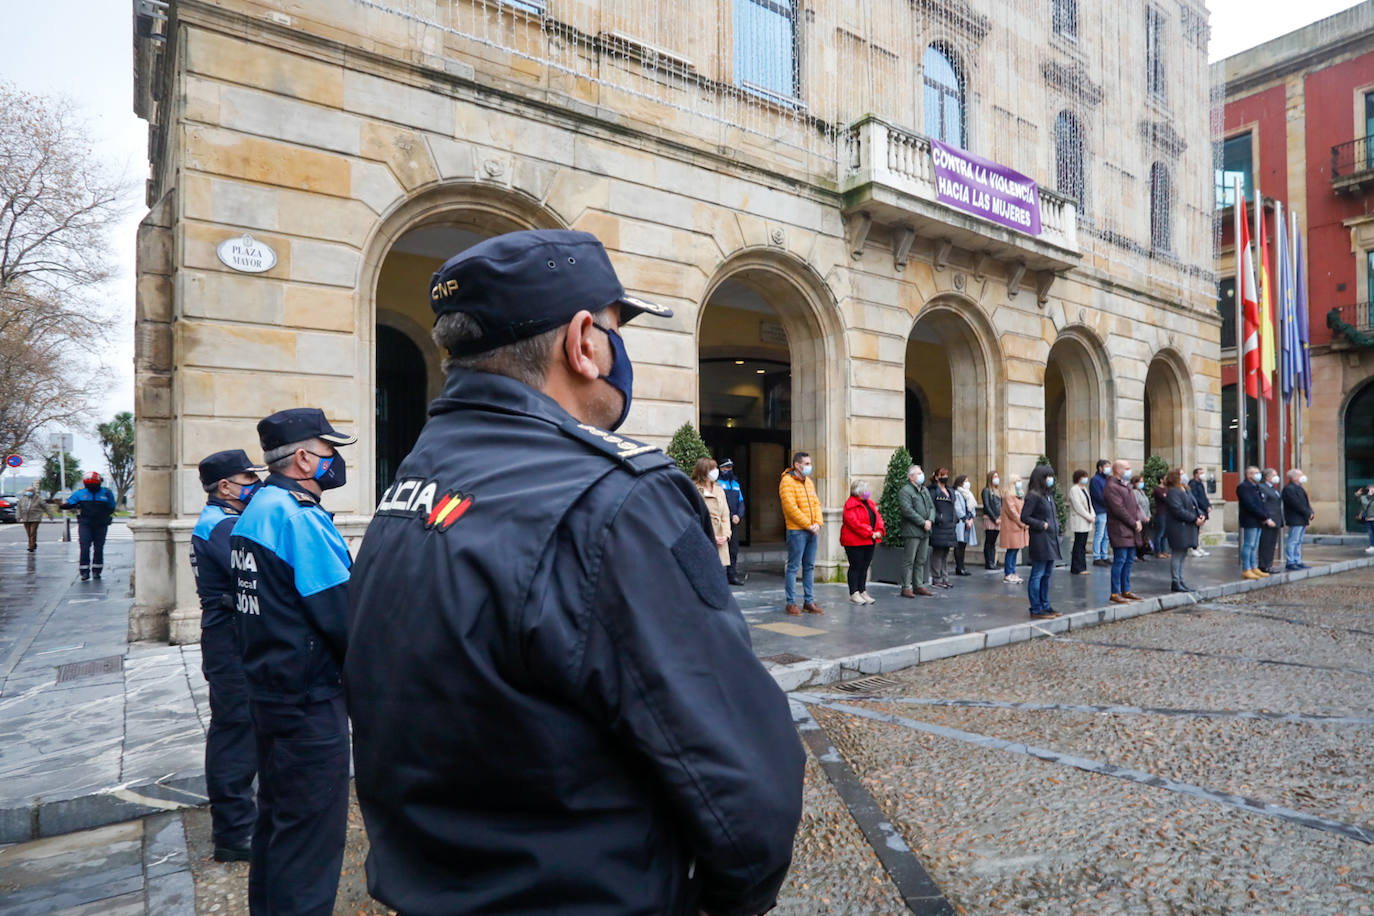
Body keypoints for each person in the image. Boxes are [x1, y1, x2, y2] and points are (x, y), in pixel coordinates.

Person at [343, 230, 803, 915]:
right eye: (619, 328)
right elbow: (741, 778)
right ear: (584, 341)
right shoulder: (616, 500)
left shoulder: (412, 483)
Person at [232, 408, 355, 915]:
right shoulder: (298, 519)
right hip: (309, 701)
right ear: (304, 458)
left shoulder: (256, 510)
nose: (336, 462)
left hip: (269, 690)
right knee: (310, 841)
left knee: (278, 826)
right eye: (330, 452)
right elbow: (344, 618)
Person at [190, 449, 266, 864]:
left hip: (232, 635)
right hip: (228, 638)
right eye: (247, 479)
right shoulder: (222, 526)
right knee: (235, 730)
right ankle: (235, 833)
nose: (254, 485)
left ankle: (243, 822)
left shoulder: (224, 521)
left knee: (244, 727)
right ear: (225, 486)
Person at [781, 451, 824, 615]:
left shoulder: (809, 483)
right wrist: (808, 524)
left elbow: (816, 504)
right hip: (797, 531)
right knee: (793, 567)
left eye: (809, 463)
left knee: (809, 566)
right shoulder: (787, 482)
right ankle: (791, 603)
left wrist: (818, 523)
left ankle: (809, 601)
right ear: (797, 465)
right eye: (806, 464)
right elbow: (791, 509)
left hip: (812, 530)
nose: (809, 467)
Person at [1020, 465, 1061, 618]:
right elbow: (1024, 516)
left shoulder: (1048, 495)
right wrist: (1041, 524)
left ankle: (1046, 604)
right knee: (1038, 573)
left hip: (1050, 539)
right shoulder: (1033, 496)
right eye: (1048, 476)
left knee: (1047, 574)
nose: (1051, 479)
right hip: (1040, 539)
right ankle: (1036, 608)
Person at [63, 472, 117, 581]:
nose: (92, 487)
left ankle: (97, 570)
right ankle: (84, 571)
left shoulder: (106, 493)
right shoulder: (80, 493)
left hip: (101, 524)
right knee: (84, 546)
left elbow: (112, 507)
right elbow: (70, 504)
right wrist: (62, 505)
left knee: (98, 547)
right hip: (85, 523)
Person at [1104, 460, 1143, 603]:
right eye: (1127, 468)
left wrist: (1139, 519)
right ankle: (1115, 592)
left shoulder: (1127, 486)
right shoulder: (1111, 486)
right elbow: (1118, 509)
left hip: (1131, 529)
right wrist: (1134, 522)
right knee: (1120, 560)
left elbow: (1135, 505)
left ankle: (1126, 589)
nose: (1130, 471)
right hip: (1119, 529)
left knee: (1128, 561)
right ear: (1118, 470)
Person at [841, 479, 885, 604]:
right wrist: (870, 532)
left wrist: (880, 530)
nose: (868, 492)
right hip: (855, 542)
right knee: (856, 566)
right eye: (865, 490)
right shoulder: (850, 505)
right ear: (858, 491)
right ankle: (854, 592)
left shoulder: (869, 503)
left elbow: (878, 517)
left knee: (864, 567)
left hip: (869, 540)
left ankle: (862, 590)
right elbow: (854, 523)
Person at [1163, 468, 1204, 592]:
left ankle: (1181, 580)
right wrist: (1194, 518)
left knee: (1183, 554)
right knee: (1177, 554)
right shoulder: (1173, 492)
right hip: (1179, 527)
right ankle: (1176, 581)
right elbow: (1177, 509)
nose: (1184, 476)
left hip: (1188, 526)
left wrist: (1200, 515)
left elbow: (1194, 505)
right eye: (1181, 474)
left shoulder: (1186, 489)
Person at [898, 465, 935, 598]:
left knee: (921, 559)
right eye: (918, 473)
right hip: (912, 531)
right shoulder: (905, 491)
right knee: (909, 560)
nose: (921, 475)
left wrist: (930, 520)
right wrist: (922, 522)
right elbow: (907, 510)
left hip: (925, 531)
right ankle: (906, 587)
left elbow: (931, 507)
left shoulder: (924, 490)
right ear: (911, 476)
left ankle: (918, 585)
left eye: (921, 473)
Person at [693, 458, 732, 580]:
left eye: (715, 468)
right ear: (703, 471)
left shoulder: (719, 489)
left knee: (719, 577)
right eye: (712, 469)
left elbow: (725, 515)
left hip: (720, 540)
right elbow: (693, 517)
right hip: (704, 538)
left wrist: (725, 535)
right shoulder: (694, 489)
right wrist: (710, 536)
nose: (716, 471)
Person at [1237, 466, 1270, 579]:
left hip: (1258, 520)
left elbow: (1261, 503)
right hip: (1250, 519)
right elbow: (1250, 504)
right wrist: (1263, 516)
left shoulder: (1256, 487)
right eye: (1255, 473)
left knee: (1254, 545)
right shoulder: (1244, 487)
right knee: (1249, 544)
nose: (1258, 475)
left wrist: (1265, 516)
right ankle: (1246, 568)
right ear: (1248, 475)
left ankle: (1253, 566)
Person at [927, 468, 957, 589]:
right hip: (939, 526)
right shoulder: (933, 491)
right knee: (938, 553)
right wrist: (938, 519)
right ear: (936, 477)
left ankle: (945, 577)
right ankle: (937, 578)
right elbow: (931, 507)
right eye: (942, 475)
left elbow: (953, 506)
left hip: (950, 526)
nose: (945, 477)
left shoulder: (950, 490)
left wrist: (955, 519)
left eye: (946, 475)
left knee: (945, 553)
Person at [718, 457, 746, 584]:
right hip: (722, 522)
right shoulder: (717, 484)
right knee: (720, 549)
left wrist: (738, 516)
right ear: (721, 469)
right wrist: (730, 516)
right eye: (726, 467)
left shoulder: (735, 484)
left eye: (730, 468)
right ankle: (719, 576)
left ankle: (732, 575)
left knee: (733, 550)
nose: (729, 470)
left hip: (734, 522)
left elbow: (741, 502)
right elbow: (719, 504)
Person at [1282, 469, 1314, 570]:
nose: (1303, 476)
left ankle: (1298, 560)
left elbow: (1305, 502)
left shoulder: (1300, 488)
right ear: (1294, 477)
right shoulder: (1289, 489)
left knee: (1299, 540)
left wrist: (1311, 511)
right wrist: (1307, 512)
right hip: (1295, 518)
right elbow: (1295, 503)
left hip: (1302, 518)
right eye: (1300, 475)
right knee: (1293, 540)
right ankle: (1291, 561)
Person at [1000, 474, 1028, 585]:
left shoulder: (1019, 494)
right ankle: (1008, 573)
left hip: (1018, 527)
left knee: (1015, 550)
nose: (1019, 483)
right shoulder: (1008, 495)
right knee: (1011, 550)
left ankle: (1013, 571)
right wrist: (1022, 523)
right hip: (1012, 527)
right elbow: (1012, 512)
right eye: (1017, 481)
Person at [1258, 467, 1284, 575]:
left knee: (1272, 544)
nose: (1276, 477)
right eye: (1274, 475)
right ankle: (1264, 565)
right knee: (1266, 543)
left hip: (1276, 519)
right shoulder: (1262, 487)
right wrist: (1266, 518)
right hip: (1268, 520)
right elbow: (1263, 504)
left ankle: (1269, 564)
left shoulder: (1273, 488)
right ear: (1267, 477)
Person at [1067, 469, 1094, 575]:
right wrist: (1088, 516)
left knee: (1082, 544)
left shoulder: (1084, 489)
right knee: (1079, 544)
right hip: (1080, 520)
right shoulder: (1074, 490)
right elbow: (1078, 506)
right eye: (1083, 477)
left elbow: (1089, 503)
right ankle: (1077, 567)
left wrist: (1093, 515)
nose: (1085, 479)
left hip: (1087, 520)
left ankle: (1082, 567)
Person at [952, 475, 977, 576]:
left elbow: (972, 507)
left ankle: (962, 566)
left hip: (968, 522)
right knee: (959, 545)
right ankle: (959, 567)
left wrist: (971, 518)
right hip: (961, 523)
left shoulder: (969, 494)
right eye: (965, 481)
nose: (968, 483)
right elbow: (958, 508)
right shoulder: (957, 493)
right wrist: (965, 519)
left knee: (964, 545)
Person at [16, 486, 55, 552]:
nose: (29, 492)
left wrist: (50, 515)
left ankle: (30, 546)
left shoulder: (38, 499)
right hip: (25, 518)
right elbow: (19, 508)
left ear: (33, 491)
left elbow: (46, 507)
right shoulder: (22, 499)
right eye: (28, 490)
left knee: (32, 532)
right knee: (29, 533)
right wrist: (18, 516)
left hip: (35, 518)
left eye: (30, 491)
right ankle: (33, 543)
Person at [1090, 459, 1111, 566]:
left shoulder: (1107, 479)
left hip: (1107, 510)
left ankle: (1104, 555)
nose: (1109, 469)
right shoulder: (1095, 480)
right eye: (1107, 466)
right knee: (1100, 534)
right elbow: (1098, 496)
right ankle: (1097, 556)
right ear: (1100, 468)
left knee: (1106, 535)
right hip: (1100, 510)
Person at [1187, 468, 1212, 557]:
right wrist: (1204, 507)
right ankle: (1193, 547)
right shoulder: (1193, 484)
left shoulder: (1200, 484)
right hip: (1198, 510)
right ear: (1196, 474)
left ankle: (1197, 546)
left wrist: (1208, 505)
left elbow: (1204, 496)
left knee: (1199, 530)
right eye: (1201, 473)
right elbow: (1196, 498)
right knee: (1195, 530)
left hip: (1203, 509)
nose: (1203, 474)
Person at [981, 471, 1002, 571]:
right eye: (995, 476)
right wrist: (994, 518)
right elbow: (987, 506)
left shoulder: (998, 491)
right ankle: (988, 562)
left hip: (999, 519)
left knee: (993, 542)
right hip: (990, 519)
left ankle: (992, 561)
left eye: (997, 476)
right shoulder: (986, 490)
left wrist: (1000, 517)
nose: (997, 478)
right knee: (989, 541)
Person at [1132, 476, 1153, 560]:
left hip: (1146, 518)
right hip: (1140, 518)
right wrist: (1144, 516)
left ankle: (1141, 554)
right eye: (1140, 482)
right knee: (1138, 537)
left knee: (1144, 537)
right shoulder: (1134, 492)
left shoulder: (1142, 492)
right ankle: (1136, 554)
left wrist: (1148, 515)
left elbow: (1147, 505)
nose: (1142, 483)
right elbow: (1137, 506)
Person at [1151, 478, 1171, 559]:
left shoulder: (1167, 489)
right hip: (1160, 513)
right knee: (1159, 533)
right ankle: (1158, 552)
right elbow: (1166, 499)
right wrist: (1166, 496)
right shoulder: (1157, 489)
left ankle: (1164, 551)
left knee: (1165, 534)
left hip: (1167, 513)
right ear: (1161, 480)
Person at [1359, 485, 1374, 554]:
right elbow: (1360, 501)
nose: (1371, 490)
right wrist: (1358, 493)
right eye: (1369, 489)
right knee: (1370, 533)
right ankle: (1372, 546)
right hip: (1368, 518)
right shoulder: (1364, 498)